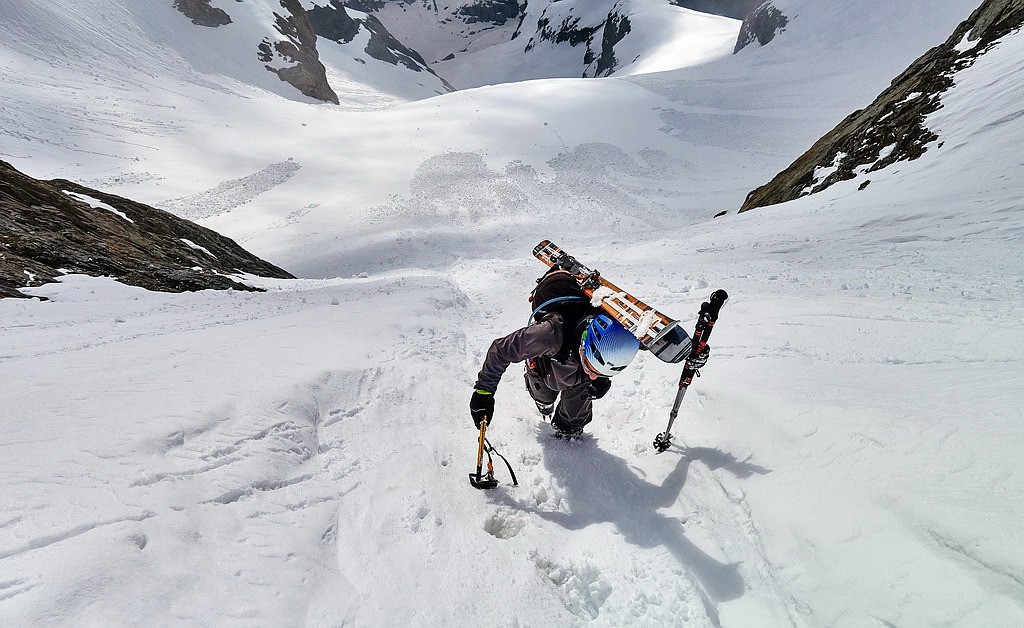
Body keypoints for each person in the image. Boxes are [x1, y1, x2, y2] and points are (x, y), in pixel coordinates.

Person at [469, 268, 708, 438]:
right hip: (545, 369)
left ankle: (569, 429)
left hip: (576, 377)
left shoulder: (619, 335)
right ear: (585, 345)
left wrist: (691, 354)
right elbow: (501, 350)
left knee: (575, 416)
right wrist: (483, 392)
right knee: (544, 397)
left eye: (600, 372)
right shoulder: (548, 335)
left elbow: (655, 341)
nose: (595, 376)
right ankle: (544, 407)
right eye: (594, 368)